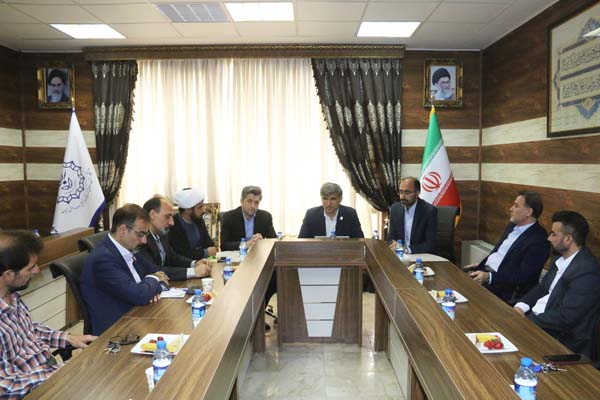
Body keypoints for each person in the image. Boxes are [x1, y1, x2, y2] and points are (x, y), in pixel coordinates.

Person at [0, 230, 96, 399]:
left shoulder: (11, 295)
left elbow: (28, 330)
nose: (37, 270)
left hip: (44, 370)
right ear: (8, 275)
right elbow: (6, 388)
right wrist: (67, 368)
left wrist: (69, 338)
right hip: (30, 389)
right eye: (31, 267)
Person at [514, 211, 600, 358]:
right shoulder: (560, 259)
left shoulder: (588, 271)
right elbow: (542, 287)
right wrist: (520, 307)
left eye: (554, 234)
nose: (549, 238)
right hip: (539, 322)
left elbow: (567, 317)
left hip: (561, 340)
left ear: (568, 239)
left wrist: (526, 321)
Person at [81, 204, 169, 336]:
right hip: (117, 330)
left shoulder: (128, 247)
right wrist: (154, 280)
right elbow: (139, 294)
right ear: (122, 230)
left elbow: (154, 270)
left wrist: (149, 287)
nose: (144, 241)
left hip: (137, 315)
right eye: (140, 234)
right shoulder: (103, 258)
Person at [466, 191, 550, 303]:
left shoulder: (539, 239)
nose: (511, 209)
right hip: (485, 274)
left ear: (528, 212)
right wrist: (482, 266)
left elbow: (523, 276)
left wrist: (489, 277)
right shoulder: (512, 226)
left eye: (516, 206)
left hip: (504, 290)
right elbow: (499, 254)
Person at [138, 196, 211, 281]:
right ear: (152, 214)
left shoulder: (162, 233)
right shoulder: (141, 239)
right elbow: (154, 270)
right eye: (167, 216)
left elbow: (172, 257)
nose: (172, 223)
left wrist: (194, 263)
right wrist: (193, 272)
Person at [387, 177, 437, 254]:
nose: (402, 196)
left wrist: (407, 249)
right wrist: (393, 245)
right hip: (400, 254)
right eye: (400, 192)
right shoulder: (395, 209)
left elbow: (430, 244)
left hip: (420, 255)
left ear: (417, 193)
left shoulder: (429, 211)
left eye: (407, 193)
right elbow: (390, 238)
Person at [220, 186, 277, 251]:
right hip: (237, 255)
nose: (253, 206)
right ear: (241, 201)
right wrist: (246, 244)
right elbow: (224, 245)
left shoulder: (265, 217)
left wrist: (262, 242)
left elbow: (274, 241)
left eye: (256, 202)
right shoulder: (229, 217)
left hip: (258, 254)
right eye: (249, 201)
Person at [298, 182, 364, 238]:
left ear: (340, 199)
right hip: (317, 250)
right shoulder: (311, 215)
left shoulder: (350, 214)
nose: (328, 203)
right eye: (325, 198)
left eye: (333, 199)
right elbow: (302, 240)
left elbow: (359, 240)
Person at [168, 188, 217, 260]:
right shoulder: (174, 225)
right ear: (188, 210)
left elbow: (210, 245)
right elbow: (182, 253)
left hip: (204, 261)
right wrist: (205, 252)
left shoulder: (198, 220)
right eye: (200, 207)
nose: (203, 210)